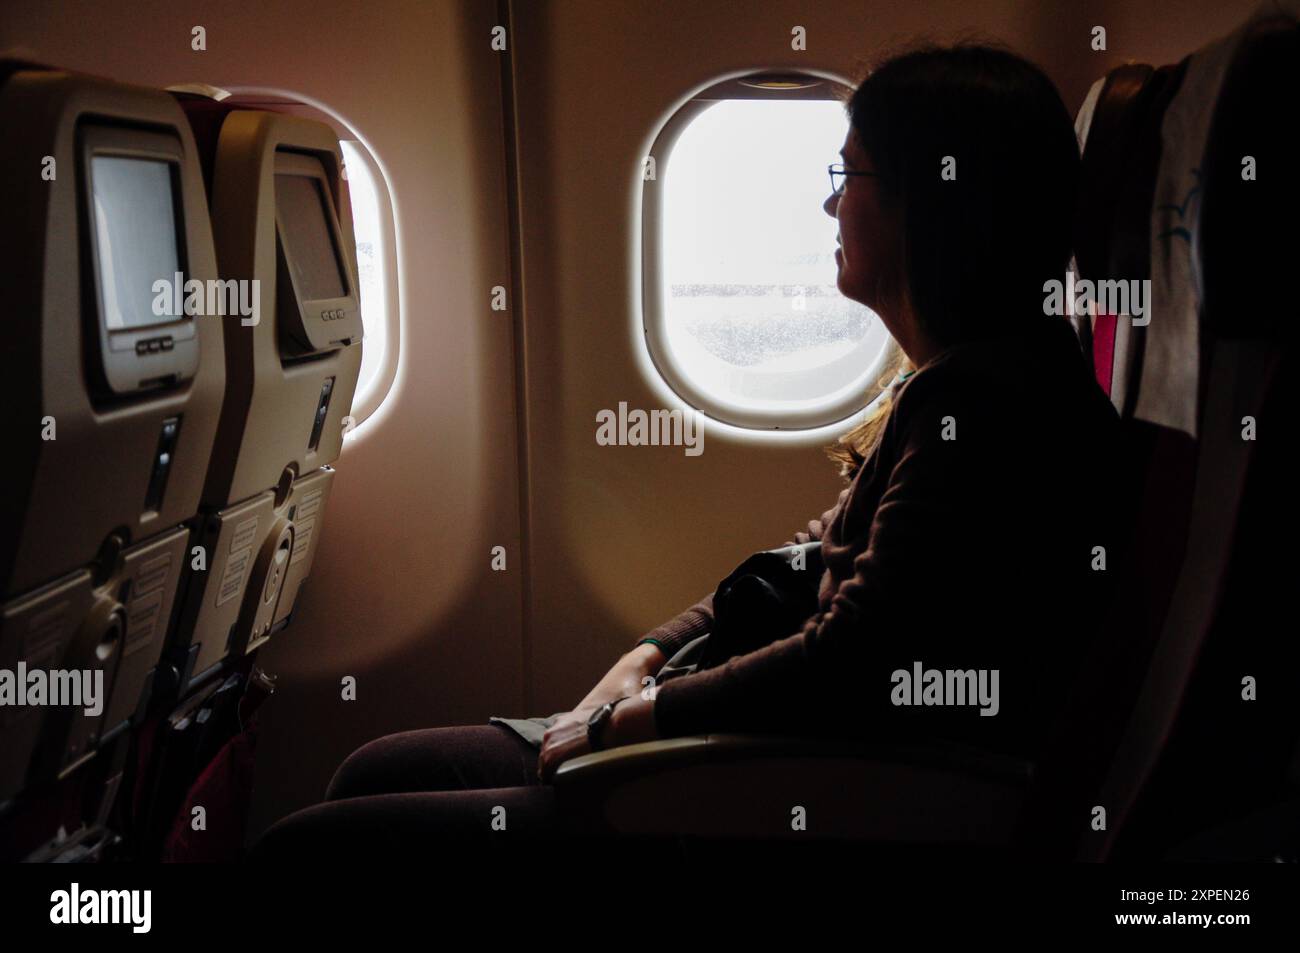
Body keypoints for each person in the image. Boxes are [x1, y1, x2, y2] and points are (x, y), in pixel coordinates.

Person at [251, 43, 1119, 858]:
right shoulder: (951, 385)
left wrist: (634, 721)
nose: (829, 203)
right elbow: (808, 558)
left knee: (311, 848)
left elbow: (852, 660)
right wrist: (649, 656)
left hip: (815, 781)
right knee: (378, 770)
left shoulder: (986, 407)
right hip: (768, 744)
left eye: (847, 173)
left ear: (928, 204)